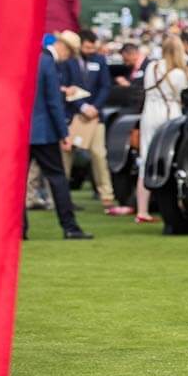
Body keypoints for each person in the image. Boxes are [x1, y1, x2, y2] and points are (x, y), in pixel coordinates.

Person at [26, 36, 93, 240]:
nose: (68, 57)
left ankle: (19, 228)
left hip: (23, 130)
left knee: (18, 183)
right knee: (57, 179)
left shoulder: (31, 58)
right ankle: (69, 226)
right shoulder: (47, 63)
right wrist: (64, 133)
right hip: (44, 132)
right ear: (62, 47)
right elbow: (53, 102)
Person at [55, 30, 127, 214]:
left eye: (92, 47)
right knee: (66, 156)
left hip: (95, 116)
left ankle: (107, 196)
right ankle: (62, 198)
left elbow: (105, 86)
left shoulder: (100, 60)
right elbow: (65, 86)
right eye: (87, 47)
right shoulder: (69, 60)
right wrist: (82, 106)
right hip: (73, 115)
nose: (90, 50)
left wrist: (94, 107)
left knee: (99, 154)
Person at [135, 36, 188, 225]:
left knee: (145, 159)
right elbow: (182, 95)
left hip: (149, 114)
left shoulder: (152, 67)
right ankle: (174, 203)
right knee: (172, 158)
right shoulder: (178, 73)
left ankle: (142, 209)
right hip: (169, 113)